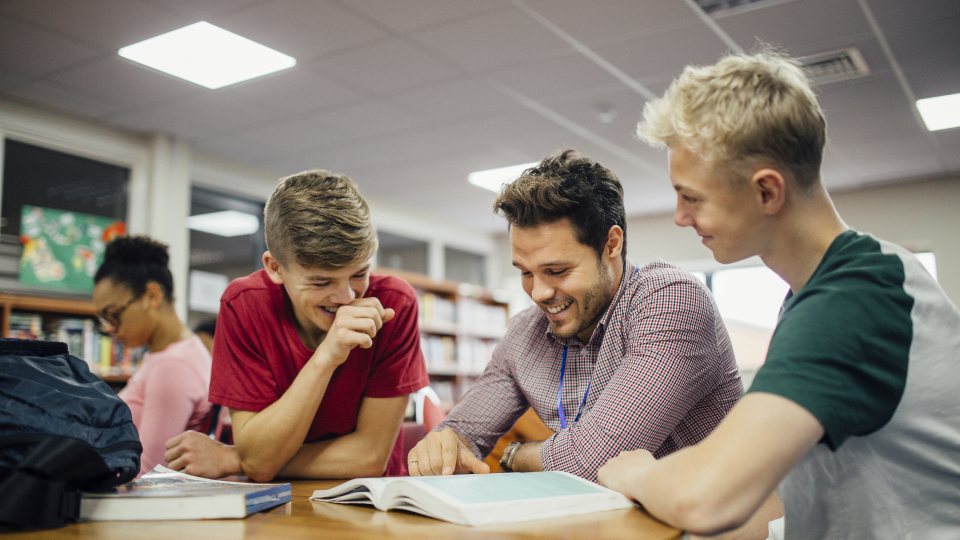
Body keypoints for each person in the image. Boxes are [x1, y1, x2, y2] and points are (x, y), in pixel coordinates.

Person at [597, 50, 960, 539]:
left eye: (692, 197)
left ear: (767, 191)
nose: (681, 217)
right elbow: (788, 493)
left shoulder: (854, 298)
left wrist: (634, 471)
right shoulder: (831, 287)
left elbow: (704, 498)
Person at [408, 149, 743, 481]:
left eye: (556, 270)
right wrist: (441, 448)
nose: (538, 293)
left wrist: (514, 454)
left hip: (707, 527)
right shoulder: (525, 333)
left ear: (611, 244)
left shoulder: (670, 300)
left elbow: (596, 461)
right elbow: (458, 434)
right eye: (525, 272)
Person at [165, 169, 429, 482]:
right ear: (275, 268)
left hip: (369, 503)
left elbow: (369, 458)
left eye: (359, 274)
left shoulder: (394, 303)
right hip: (273, 508)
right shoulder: (244, 304)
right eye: (321, 281)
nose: (346, 297)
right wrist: (327, 356)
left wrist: (236, 459)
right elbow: (259, 461)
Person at [93, 236, 214, 476]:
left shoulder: (174, 365)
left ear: (151, 297)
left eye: (113, 314)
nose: (109, 327)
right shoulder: (167, 355)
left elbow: (148, 472)